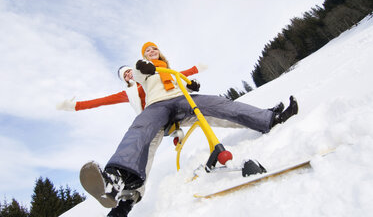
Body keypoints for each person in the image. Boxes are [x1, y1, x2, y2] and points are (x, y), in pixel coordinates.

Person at [96, 42, 298, 216]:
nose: (151, 51)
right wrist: (142, 69)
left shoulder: (168, 69)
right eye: (146, 50)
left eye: (153, 48)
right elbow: (139, 73)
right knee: (141, 132)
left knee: (219, 105)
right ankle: (119, 183)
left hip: (181, 100)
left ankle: (269, 118)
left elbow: (183, 80)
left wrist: (192, 84)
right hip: (156, 108)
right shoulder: (142, 71)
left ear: (159, 52)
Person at [56, 64, 205, 217]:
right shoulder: (129, 93)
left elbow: (175, 74)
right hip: (153, 125)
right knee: (142, 158)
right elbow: (102, 100)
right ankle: (123, 206)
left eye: (129, 71)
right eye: (125, 75)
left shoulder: (152, 78)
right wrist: (75, 106)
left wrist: (196, 68)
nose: (128, 75)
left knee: (204, 113)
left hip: (175, 110)